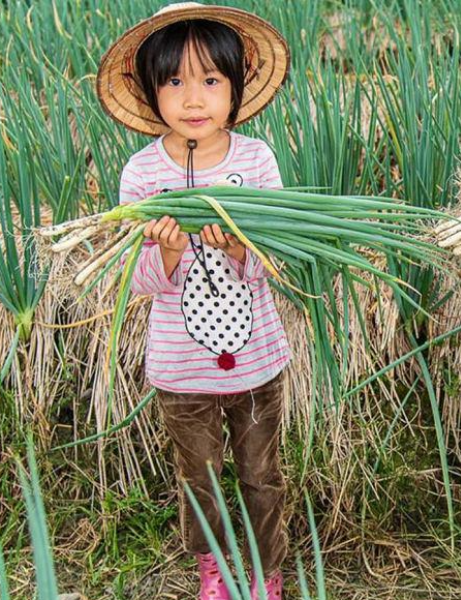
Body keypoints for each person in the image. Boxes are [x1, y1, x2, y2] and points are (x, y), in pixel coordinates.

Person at [96, 3, 292, 598]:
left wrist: (238, 246)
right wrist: (171, 253)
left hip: (256, 360)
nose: (193, 99)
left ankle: (266, 572)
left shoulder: (256, 161)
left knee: (261, 474)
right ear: (151, 94)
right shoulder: (141, 175)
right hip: (180, 368)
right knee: (198, 477)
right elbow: (140, 283)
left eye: (210, 80)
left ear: (235, 88)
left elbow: (274, 263)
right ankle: (213, 568)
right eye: (174, 82)